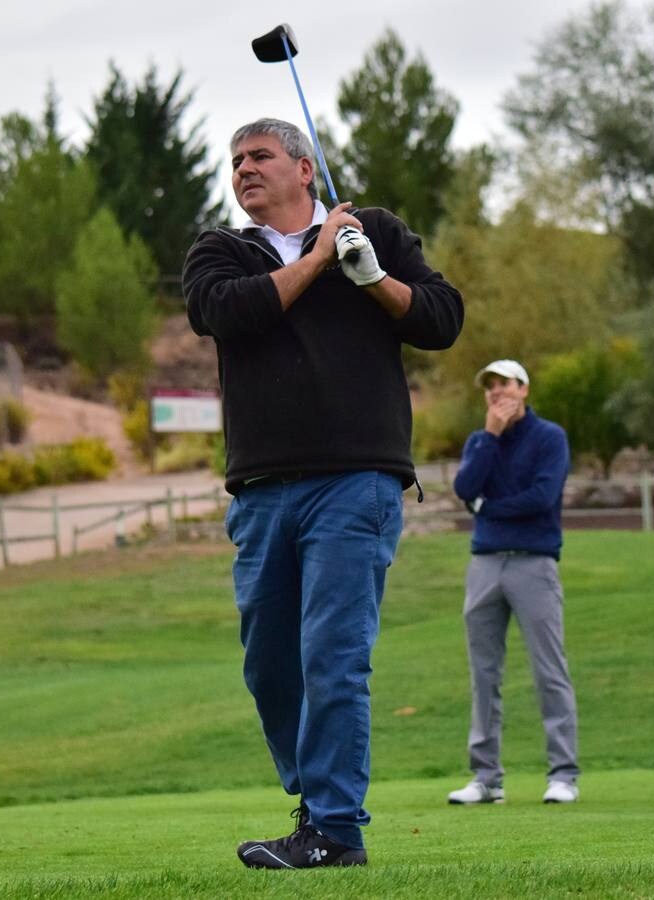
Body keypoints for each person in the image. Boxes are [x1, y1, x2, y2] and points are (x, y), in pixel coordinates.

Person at [182, 118, 463, 869]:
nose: (244, 169)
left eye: (261, 156)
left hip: (355, 479)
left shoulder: (372, 232)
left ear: (306, 169)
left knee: (333, 656)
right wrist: (316, 261)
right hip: (263, 489)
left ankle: (336, 829)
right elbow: (228, 314)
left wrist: (373, 278)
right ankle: (319, 803)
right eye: (236, 159)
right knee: (270, 665)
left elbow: (442, 321)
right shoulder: (220, 251)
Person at [447, 359, 580, 806]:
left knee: (549, 671)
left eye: (504, 383)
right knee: (484, 674)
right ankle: (486, 779)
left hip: (534, 563)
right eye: (489, 387)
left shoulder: (550, 438)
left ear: (524, 389)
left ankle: (563, 775)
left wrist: (487, 508)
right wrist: (489, 437)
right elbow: (465, 487)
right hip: (485, 563)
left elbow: (542, 498)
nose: (496, 392)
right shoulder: (481, 440)